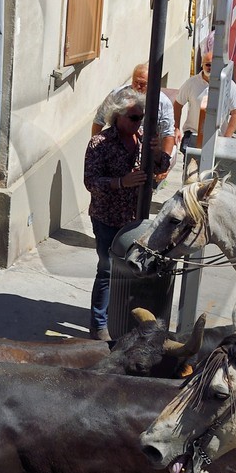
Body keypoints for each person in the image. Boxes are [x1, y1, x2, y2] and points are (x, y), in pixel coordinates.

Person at [84, 87, 151, 343]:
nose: (138, 123)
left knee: (131, 273)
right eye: (134, 118)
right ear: (117, 116)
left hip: (134, 220)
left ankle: (119, 320)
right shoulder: (100, 144)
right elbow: (91, 182)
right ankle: (98, 326)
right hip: (107, 219)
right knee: (108, 271)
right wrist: (122, 182)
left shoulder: (142, 140)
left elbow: (162, 166)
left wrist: (157, 153)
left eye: (141, 118)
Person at [177, 45, 236, 141]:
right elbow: (178, 104)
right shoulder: (191, 83)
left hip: (218, 137)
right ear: (202, 65)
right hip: (193, 134)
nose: (210, 68)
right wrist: (176, 129)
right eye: (207, 64)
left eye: (214, 65)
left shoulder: (229, 86)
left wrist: (227, 137)